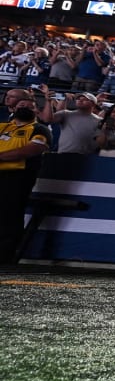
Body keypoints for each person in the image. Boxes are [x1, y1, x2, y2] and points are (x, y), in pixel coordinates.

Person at [0, 89, 49, 263]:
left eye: (29, 106)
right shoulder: (3, 126)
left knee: (9, 215)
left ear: (36, 111)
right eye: (21, 106)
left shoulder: (39, 128)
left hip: (17, 177)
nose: (25, 108)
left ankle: (5, 257)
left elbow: (31, 149)